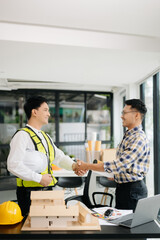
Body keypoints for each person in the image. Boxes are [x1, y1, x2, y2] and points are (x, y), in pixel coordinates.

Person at [7, 96, 82, 216]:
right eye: (46, 110)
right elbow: (13, 165)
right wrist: (39, 178)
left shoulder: (45, 136)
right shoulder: (22, 135)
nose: (49, 114)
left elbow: (59, 157)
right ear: (34, 112)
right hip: (29, 193)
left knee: (48, 226)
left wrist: (74, 166)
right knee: (32, 229)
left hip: (48, 190)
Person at [75, 99, 150, 211]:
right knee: (122, 224)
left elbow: (119, 165)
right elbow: (125, 167)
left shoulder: (138, 138)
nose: (121, 116)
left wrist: (86, 166)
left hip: (132, 191)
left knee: (128, 226)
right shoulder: (129, 135)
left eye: (124, 113)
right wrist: (114, 175)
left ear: (137, 115)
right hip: (124, 188)